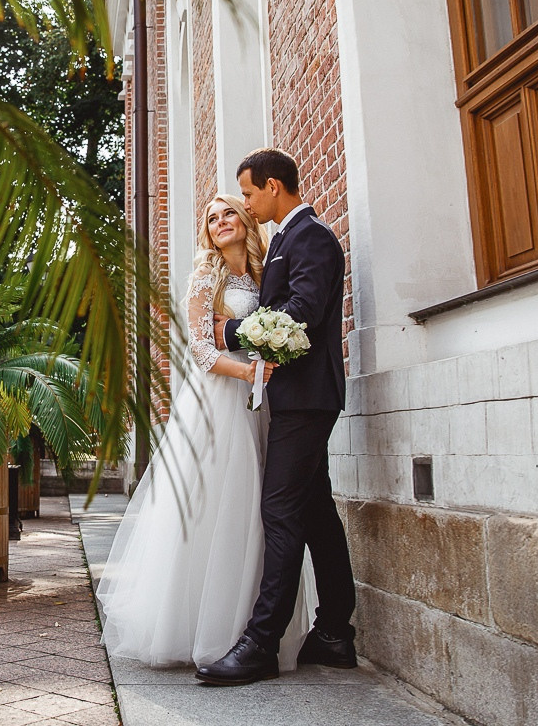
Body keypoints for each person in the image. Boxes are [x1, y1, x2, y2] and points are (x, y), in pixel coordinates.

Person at [96, 193, 316, 670]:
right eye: (212, 219)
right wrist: (251, 375)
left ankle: (248, 627)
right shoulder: (205, 278)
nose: (220, 222)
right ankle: (198, 626)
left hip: (262, 406)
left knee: (260, 510)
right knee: (216, 505)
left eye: (229, 213)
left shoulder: (266, 274)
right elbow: (199, 350)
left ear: (246, 217)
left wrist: (262, 369)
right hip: (218, 403)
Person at [195, 148, 358, 686]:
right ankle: (334, 632)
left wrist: (230, 333)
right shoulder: (288, 239)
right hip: (294, 398)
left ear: (271, 186)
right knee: (315, 513)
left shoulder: (310, 237)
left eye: (246, 193)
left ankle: (262, 644)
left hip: (306, 399)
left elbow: (300, 316)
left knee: (280, 513)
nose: (243, 203)